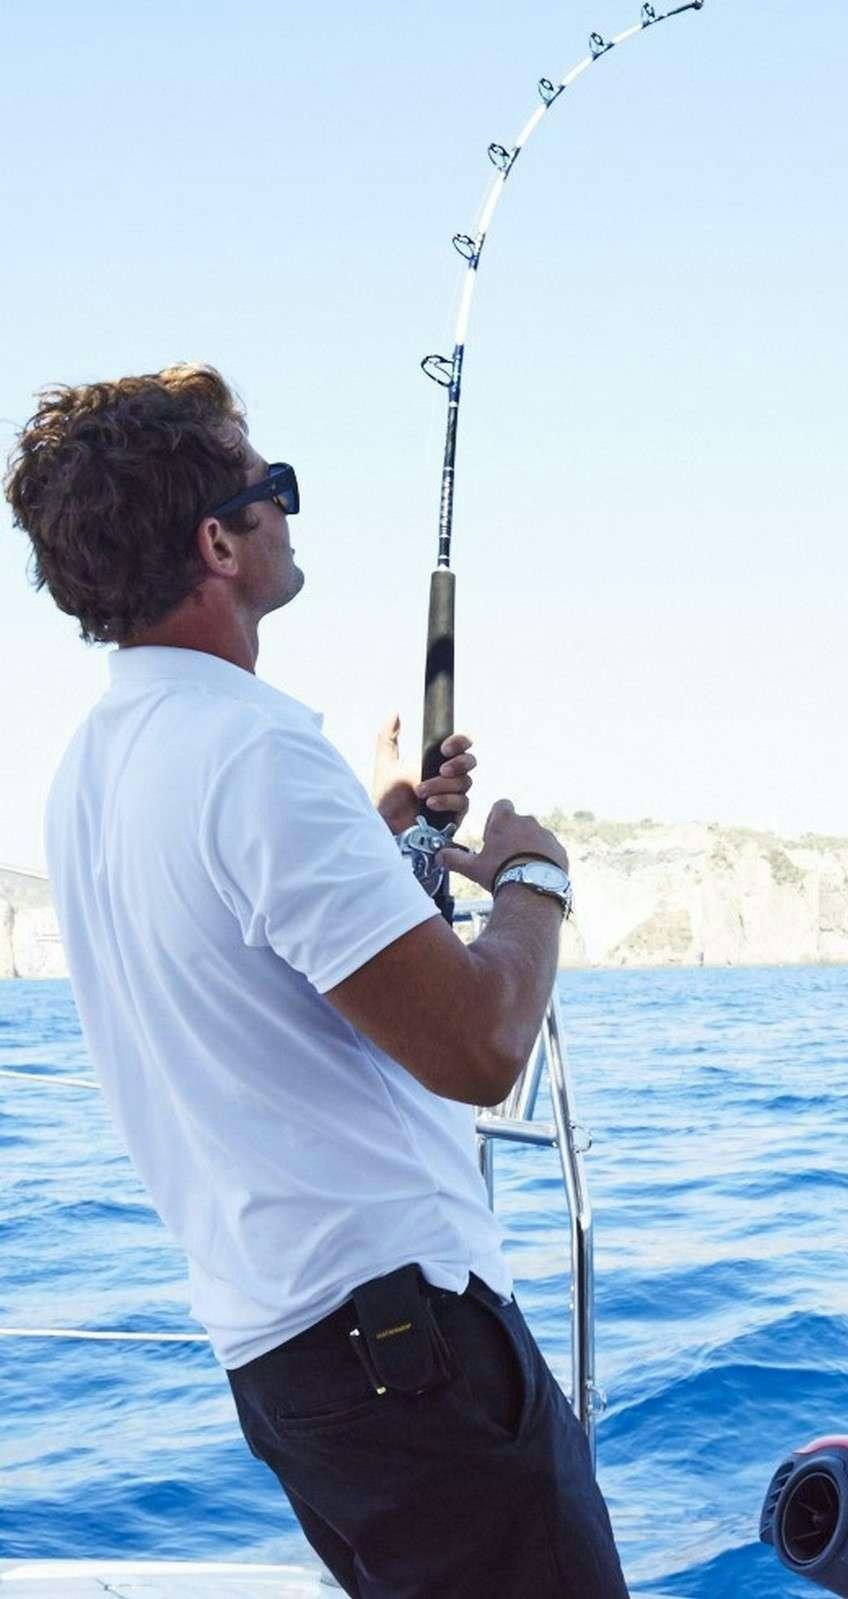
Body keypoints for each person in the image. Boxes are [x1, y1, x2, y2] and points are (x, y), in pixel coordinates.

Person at [4, 363, 629, 1599]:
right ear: (218, 541)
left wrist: (383, 823)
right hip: (410, 1348)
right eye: (272, 488)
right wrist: (532, 882)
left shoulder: (97, 764)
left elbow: (255, 957)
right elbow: (479, 1047)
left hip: (290, 1361)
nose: (291, 512)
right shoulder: (254, 747)